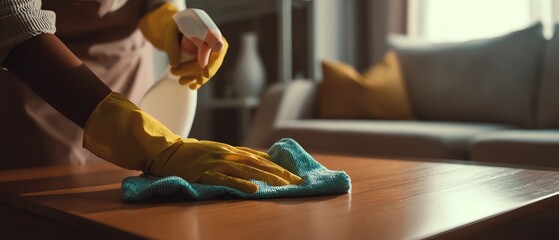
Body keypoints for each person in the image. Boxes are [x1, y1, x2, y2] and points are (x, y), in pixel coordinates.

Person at [0, 0, 302, 193]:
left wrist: (172, 18)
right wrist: (149, 143)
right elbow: (14, 23)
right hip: (39, 88)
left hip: (127, 77)